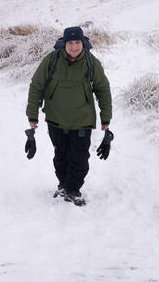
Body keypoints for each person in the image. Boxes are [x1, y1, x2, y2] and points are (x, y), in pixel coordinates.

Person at [25, 26, 113, 206]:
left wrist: (106, 119)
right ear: (65, 43)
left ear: (83, 43)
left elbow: (103, 89)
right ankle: (63, 184)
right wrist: (32, 116)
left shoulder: (91, 62)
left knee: (80, 158)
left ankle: (73, 189)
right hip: (56, 118)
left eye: (77, 43)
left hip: (82, 119)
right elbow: (37, 86)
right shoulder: (52, 60)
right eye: (70, 43)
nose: (74, 47)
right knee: (61, 155)